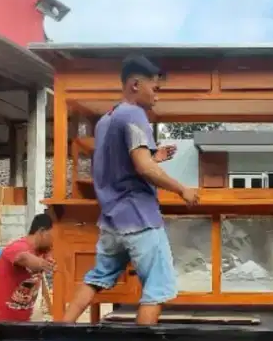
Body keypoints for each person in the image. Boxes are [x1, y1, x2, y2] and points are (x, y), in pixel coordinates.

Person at [60, 54, 199, 326]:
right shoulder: (135, 115)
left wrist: (153, 155)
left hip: (112, 220)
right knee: (157, 288)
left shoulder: (106, 120)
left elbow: (121, 163)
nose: (157, 96)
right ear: (135, 84)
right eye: (155, 89)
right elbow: (144, 169)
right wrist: (183, 189)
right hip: (139, 218)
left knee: (97, 277)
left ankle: (59, 330)